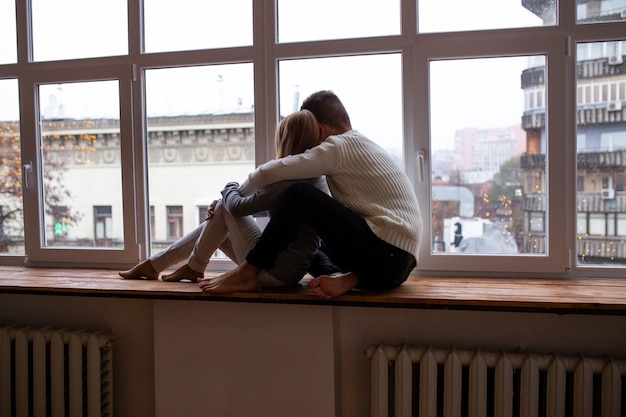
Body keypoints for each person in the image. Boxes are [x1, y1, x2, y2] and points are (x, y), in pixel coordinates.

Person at [198, 90, 423, 298]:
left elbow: (268, 173)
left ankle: (248, 271)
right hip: (392, 267)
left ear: (320, 130)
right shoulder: (362, 144)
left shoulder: (337, 146)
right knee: (306, 241)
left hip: (388, 258)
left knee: (300, 194)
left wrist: (237, 192)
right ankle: (339, 277)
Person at [119, 110, 327, 288]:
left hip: (272, 272)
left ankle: (188, 267)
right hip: (287, 271)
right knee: (221, 215)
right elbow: (265, 207)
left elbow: (236, 208)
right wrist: (226, 203)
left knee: (226, 208)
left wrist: (229, 187)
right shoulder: (313, 176)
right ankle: (159, 265)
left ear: (286, 139)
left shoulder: (290, 179)